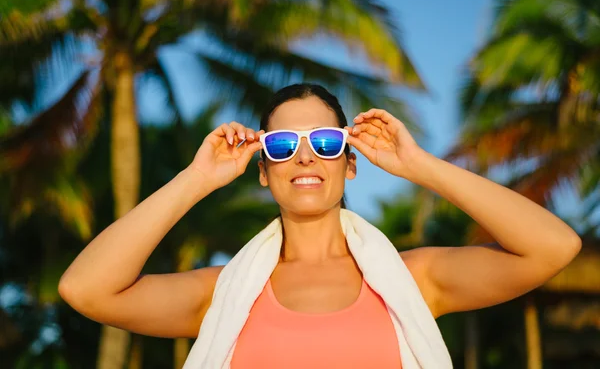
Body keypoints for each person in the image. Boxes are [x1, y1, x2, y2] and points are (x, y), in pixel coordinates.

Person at [59, 84, 581, 367]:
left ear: (349, 162)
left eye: (327, 143)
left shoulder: (413, 281)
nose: (305, 158)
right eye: (283, 146)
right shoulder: (223, 294)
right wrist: (196, 179)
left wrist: (420, 166)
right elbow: (86, 289)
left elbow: (554, 247)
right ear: (263, 170)